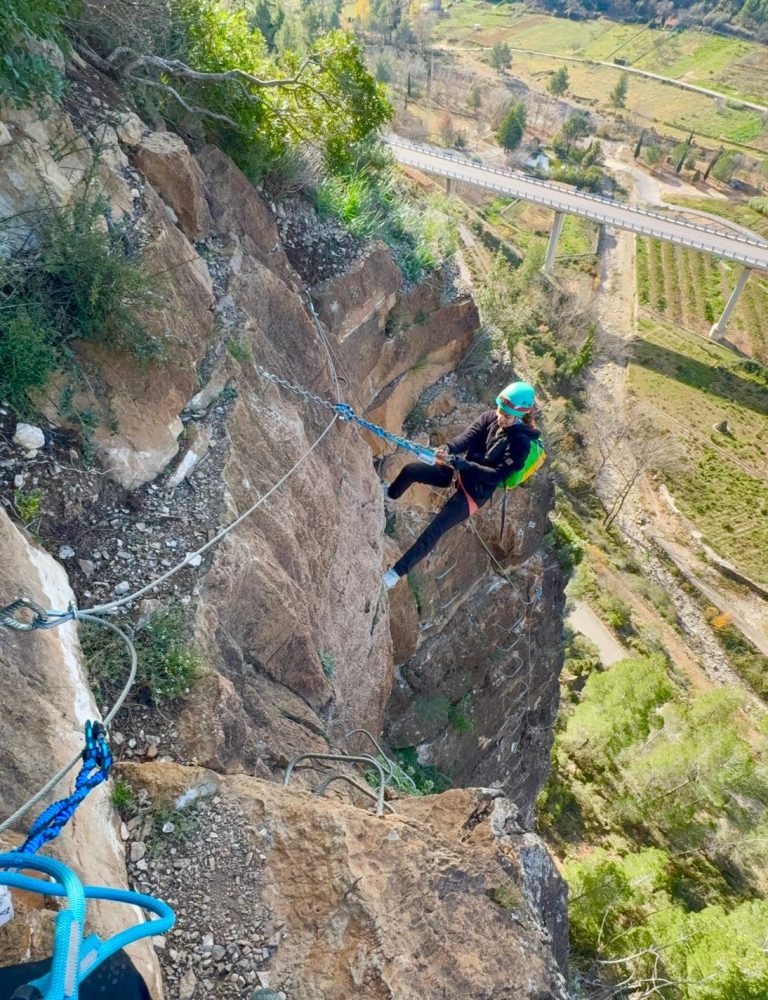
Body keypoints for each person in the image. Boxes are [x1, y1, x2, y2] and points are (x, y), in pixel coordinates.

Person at [382, 381, 542, 589]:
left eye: (507, 416)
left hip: (475, 492)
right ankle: (390, 494)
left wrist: (466, 466)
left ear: (519, 417)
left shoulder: (520, 444)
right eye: (499, 411)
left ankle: (395, 574)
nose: (500, 418)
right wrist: (447, 448)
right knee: (411, 470)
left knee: (435, 530)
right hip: (459, 471)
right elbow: (467, 438)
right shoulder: (489, 418)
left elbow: (496, 475)